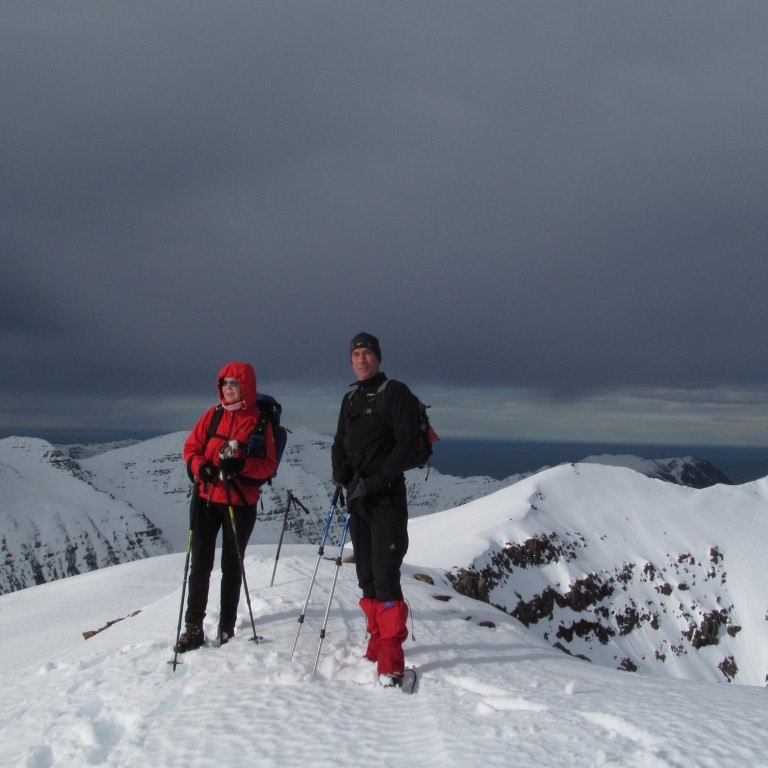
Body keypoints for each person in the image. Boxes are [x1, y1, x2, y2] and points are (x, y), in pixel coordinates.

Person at [331, 332, 419, 686]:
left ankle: (392, 660)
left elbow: (406, 443)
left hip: (386, 499)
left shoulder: (394, 392)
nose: (361, 359)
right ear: (350, 360)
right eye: (356, 354)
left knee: (385, 575)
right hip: (358, 497)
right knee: (366, 573)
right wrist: (339, 472)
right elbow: (340, 442)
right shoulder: (350, 398)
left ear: (378, 358)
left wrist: (377, 480)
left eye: (367, 353)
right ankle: (377, 641)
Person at [175, 361, 278, 652]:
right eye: (225, 383)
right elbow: (191, 448)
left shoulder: (259, 422)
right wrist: (201, 468)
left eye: (234, 383)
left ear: (246, 387)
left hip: (240, 502)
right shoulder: (212, 415)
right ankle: (193, 628)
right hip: (206, 498)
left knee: (231, 567)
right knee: (200, 566)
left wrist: (241, 465)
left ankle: (226, 627)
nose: (228, 388)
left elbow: (268, 465)